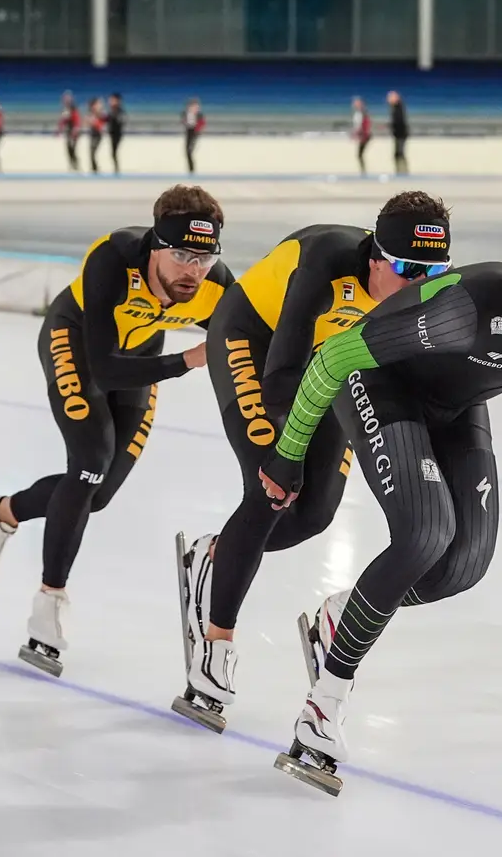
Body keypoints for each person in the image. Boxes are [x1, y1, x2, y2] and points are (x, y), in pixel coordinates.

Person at [261, 217, 502, 793]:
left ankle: (342, 618)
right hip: (379, 382)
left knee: (463, 567)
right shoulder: (463, 312)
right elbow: (333, 356)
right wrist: (288, 455)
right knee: (424, 534)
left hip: (460, 404)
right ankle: (323, 707)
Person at [170, 190, 454, 731]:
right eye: (408, 269)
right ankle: (215, 644)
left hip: (328, 364)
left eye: (434, 272)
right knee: (272, 486)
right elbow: (279, 381)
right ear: (374, 257)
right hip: (255, 340)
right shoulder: (325, 262)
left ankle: (216, 556)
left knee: (317, 513)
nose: (421, 286)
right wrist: (288, 452)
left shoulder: (426, 292)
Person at [0, 185, 235, 677]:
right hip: (79, 342)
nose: (192, 270)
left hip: (144, 355)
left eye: (204, 257)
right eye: (180, 254)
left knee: (100, 493)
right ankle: (48, 604)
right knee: (89, 465)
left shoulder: (217, 285)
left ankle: (1, 513)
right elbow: (106, 371)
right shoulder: (114, 258)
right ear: (155, 245)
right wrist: (190, 360)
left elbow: (249, 347)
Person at [387, 90, 409, 175]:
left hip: (401, 134)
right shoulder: (395, 107)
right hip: (398, 133)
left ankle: (403, 172)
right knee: (398, 153)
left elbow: (399, 121)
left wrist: (391, 126)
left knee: (399, 153)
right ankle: (400, 171)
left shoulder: (398, 107)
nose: (388, 100)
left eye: (390, 98)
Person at [58, 91, 81, 172]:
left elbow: (77, 119)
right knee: (68, 148)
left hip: (74, 132)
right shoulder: (64, 109)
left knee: (73, 149)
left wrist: (76, 129)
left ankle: (76, 164)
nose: (66, 100)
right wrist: (59, 130)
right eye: (65, 99)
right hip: (68, 132)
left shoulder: (73, 108)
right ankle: (71, 164)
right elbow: (62, 121)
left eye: (68, 99)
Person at [182, 98, 206, 174]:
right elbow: (184, 121)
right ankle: (190, 169)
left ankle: (192, 170)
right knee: (187, 151)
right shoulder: (185, 113)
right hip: (189, 132)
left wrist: (198, 129)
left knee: (190, 150)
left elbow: (202, 123)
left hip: (195, 133)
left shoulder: (199, 114)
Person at [351, 96, 372, 175]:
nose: (354, 104)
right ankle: (363, 171)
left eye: (356, 103)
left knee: (360, 154)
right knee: (359, 155)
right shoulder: (358, 113)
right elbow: (357, 125)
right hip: (362, 135)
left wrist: (363, 134)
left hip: (364, 136)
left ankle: (363, 171)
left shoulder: (362, 113)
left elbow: (365, 124)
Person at [108, 93, 126, 174]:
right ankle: (116, 169)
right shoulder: (112, 111)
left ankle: (117, 169)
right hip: (112, 134)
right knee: (113, 153)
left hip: (117, 135)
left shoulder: (119, 111)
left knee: (114, 153)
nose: (111, 102)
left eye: (113, 100)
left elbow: (121, 121)